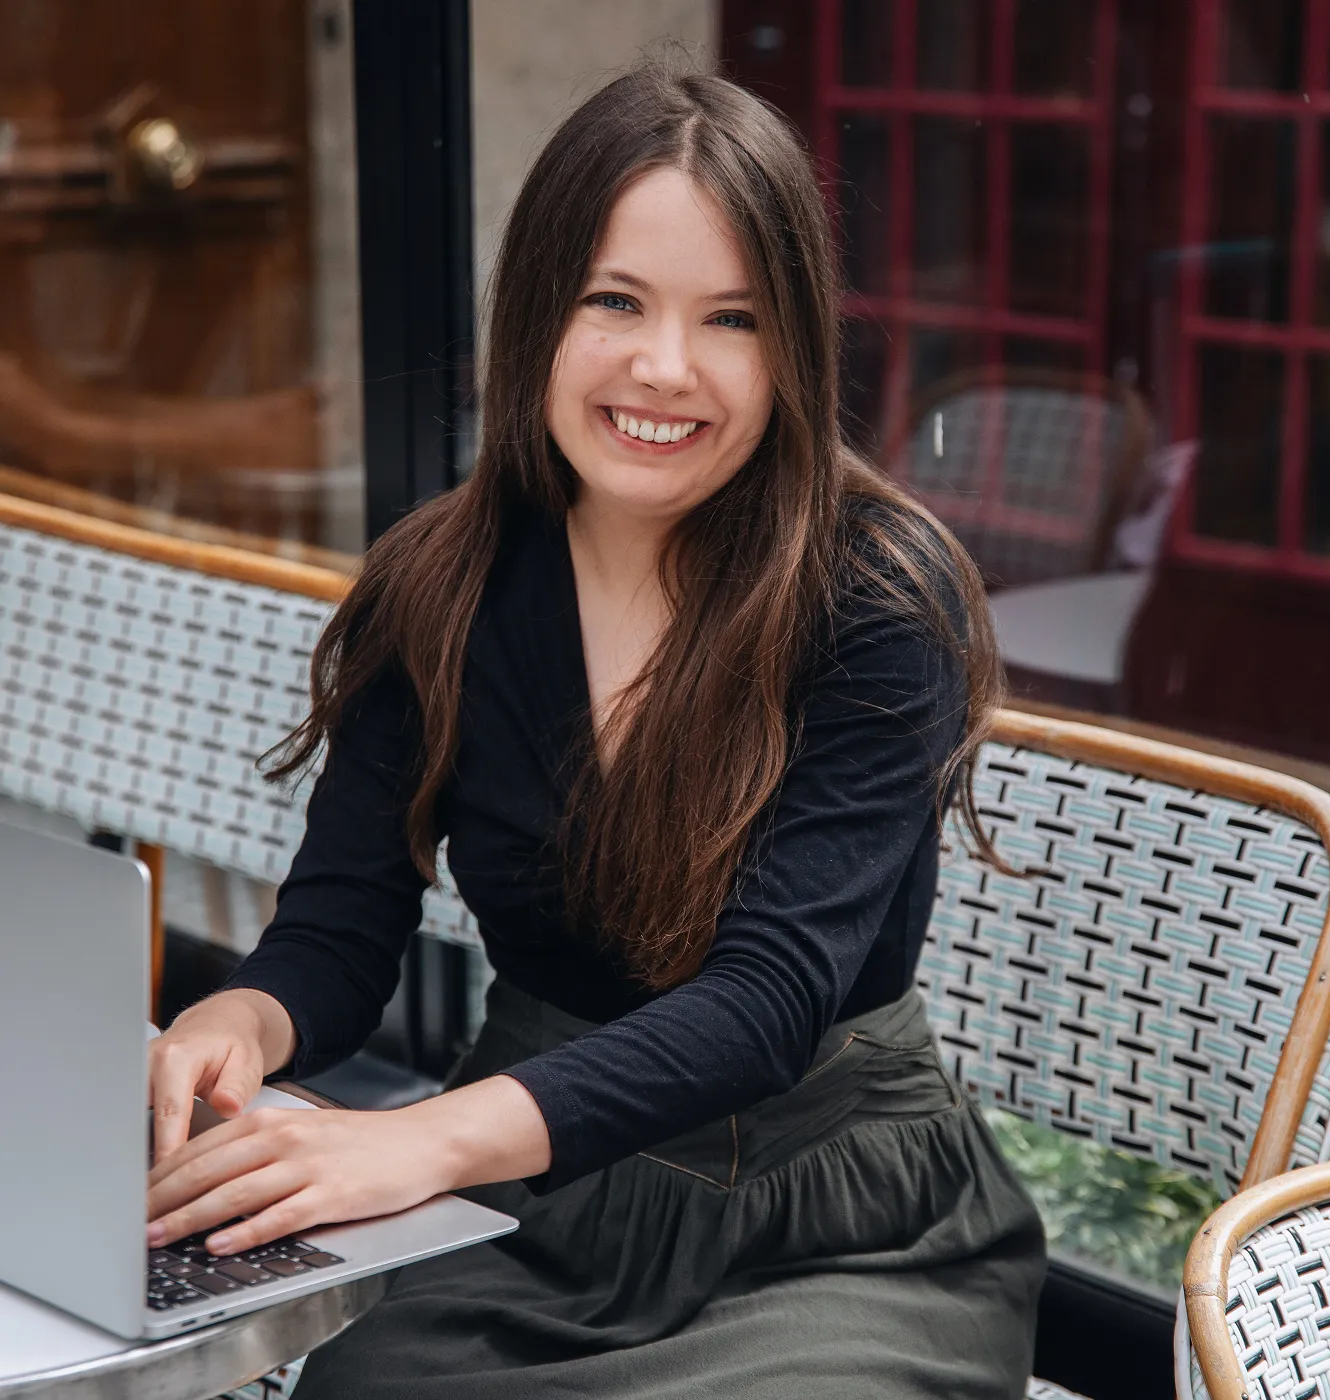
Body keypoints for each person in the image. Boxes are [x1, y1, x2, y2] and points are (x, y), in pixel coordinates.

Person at [145, 58, 1045, 1399]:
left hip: (838, 1228)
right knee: (356, 1388)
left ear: (794, 345)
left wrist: (424, 1140)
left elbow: (761, 1006)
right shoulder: (441, 587)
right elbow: (341, 931)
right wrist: (247, 1021)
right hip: (546, 1210)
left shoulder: (873, 600)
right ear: (536, 318)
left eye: (731, 319)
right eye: (613, 301)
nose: (663, 369)